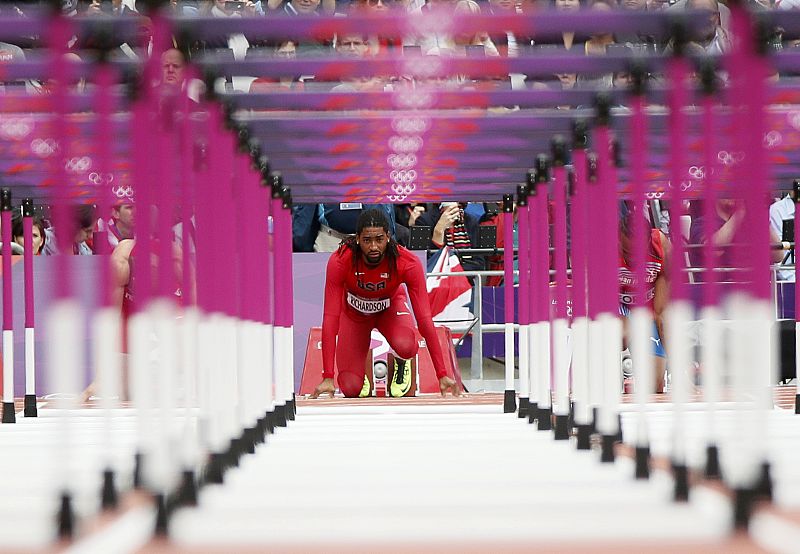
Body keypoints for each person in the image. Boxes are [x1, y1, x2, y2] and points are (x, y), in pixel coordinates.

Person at [310, 209, 460, 398]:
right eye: (367, 240)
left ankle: (400, 360)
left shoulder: (408, 262)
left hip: (390, 309)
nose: (373, 246)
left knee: (406, 346)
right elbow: (330, 319)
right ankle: (360, 363)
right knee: (350, 388)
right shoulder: (340, 260)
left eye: (379, 239)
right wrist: (328, 376)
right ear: (357, 239)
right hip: (354, 315)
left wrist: (442, 374)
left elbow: (424, 320)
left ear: (388, 237)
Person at [618, 202, 670, 393]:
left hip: (646, 306)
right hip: (616, 304)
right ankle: (624, 366)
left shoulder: (661, 244)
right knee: (620, 332)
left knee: (654, 385)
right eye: (626, 252)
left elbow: (661, 311)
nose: (631, 260)